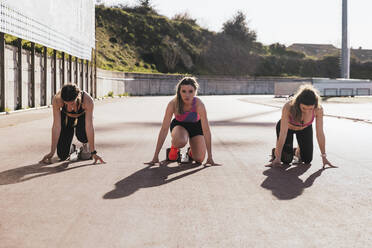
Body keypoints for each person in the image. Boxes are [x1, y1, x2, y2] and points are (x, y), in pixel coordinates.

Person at [146, 77, 217, 166]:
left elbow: (206, 130)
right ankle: (174, 148)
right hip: (179, 126)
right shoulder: (173, 104)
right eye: (184, 91)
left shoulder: (199, 104)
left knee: (199, 159)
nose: (187, 95)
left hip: (196, 127)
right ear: (179, 91)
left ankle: (190, 152)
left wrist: (210, 157)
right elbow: (164, 128)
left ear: (195, 91)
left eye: (190, 91)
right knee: (180, 141)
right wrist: (155, 156)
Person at [267, 84, 335, 168]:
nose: (307, 111)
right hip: (287, 129)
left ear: (315, 104)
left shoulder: (318, 109)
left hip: (304, 129)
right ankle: (276, 151)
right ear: (298, 103)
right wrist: (277, 157)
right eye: (304, 108)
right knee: (286, 160)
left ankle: (296, 150)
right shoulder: (289, 107)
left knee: (307, 160)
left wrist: (324, 157)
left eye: (310, 108)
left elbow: (320, 133)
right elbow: (283, 133)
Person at [41, 84, 104, 164]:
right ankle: (71, 148)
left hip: (82, 116)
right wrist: (51, 152)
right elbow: (56, 126)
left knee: (85, 149)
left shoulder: (87, 101)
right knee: (62, 155)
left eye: (72, 103)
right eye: (66, 104)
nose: (70, 107)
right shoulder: (57, 100)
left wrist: (93, 152)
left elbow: (89, 126)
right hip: (67, 117)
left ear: (78, 97)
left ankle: (85, 146)